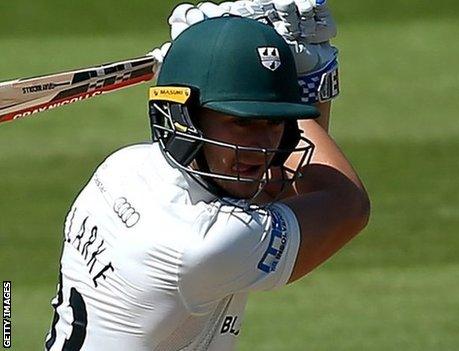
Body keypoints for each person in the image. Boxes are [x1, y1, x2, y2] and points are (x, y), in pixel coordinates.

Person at [44, 1, 369, 350]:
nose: (262, 146)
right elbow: (346, 205)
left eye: (275, 122)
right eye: (242, 122)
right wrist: (307, 81)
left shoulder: (123, 168)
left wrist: (238, 68)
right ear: (185, 119)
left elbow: (279, 186)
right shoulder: (200, 245)